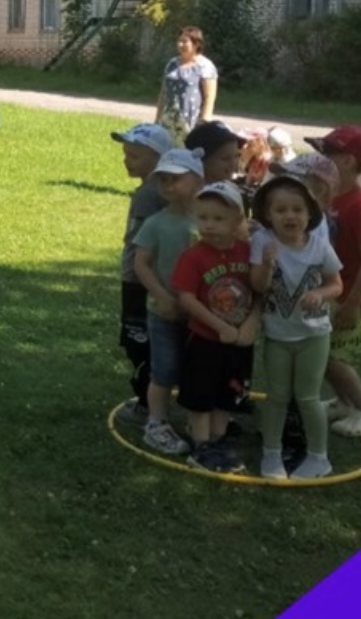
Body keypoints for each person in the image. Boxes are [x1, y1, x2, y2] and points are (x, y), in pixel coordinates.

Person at [249, 175, 342, 480]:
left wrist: (320, 294)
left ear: (310, 213)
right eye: (281, 210)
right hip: (278, 335)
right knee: (277, 396)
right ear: (268, 215)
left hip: (314, 335)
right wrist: (266, 264)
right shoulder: (263, 241)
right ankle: (271, 453)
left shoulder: (319, 246)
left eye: (297, 209)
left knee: (308, 397)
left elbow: (336, 284)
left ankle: (319, 457)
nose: (290, 216)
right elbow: (258, 286)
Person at [303, 126, 361, 437]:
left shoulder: (360, 206)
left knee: (332, 356)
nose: (319, 159)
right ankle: (345, 402)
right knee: (321, 351)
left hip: (360, 296)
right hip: (339, 290)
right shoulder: (333, 198)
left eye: (327, 154)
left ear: (347, 161)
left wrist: (353, 303)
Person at [171, 181, 261, 473]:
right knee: (201, 393)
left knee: (229, 392)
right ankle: (201, 444)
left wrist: (251, 324)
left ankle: (218, 438)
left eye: (218, 218)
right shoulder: (193, 256)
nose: (209, 225)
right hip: (205, 339)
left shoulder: (249, 252)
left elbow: (261, 292)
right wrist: (219, 326)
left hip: (239, 340)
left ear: (237, 220)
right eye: (203, 217)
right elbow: (186, 297)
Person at [132, 148, 205, 456]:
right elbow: (141, 263)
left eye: (176, 178)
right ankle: (156, 423)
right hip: (164, 312)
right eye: (163, 180)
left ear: (198, 180)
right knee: (164, 369)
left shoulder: (210, 221)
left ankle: (197, 420)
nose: (169, 185)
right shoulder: (156, 223)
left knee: (196, 368)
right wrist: (162, 296)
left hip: (201, 313)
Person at [109, 122, 174, 425]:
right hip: (155, 277)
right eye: (126, 154)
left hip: (138, 279)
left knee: (138, 340)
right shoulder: (161, 191)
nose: (126, 161)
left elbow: (140, 242)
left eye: (134, 156)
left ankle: (146, 404)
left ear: (159, 159)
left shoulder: (148, 194)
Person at [154, 26, 218, 145]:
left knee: (187, 150)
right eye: (179, 41)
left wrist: (204, 121)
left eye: (184, 42)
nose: (180, 45)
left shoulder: (205, 66)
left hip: (191, 121)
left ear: (196, 44)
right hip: (169, 120)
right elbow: (163, 93)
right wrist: (157, 119)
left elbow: (209, 97)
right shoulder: (172, 64)